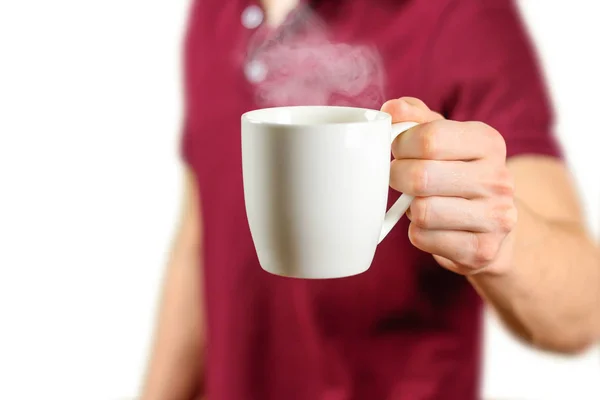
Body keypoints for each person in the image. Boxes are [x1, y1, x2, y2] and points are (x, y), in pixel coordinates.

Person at [141, 0, 600, 399]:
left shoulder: (462, 16)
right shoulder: (213, 10)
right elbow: (203, 236)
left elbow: (584, 309)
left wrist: (502, 240)